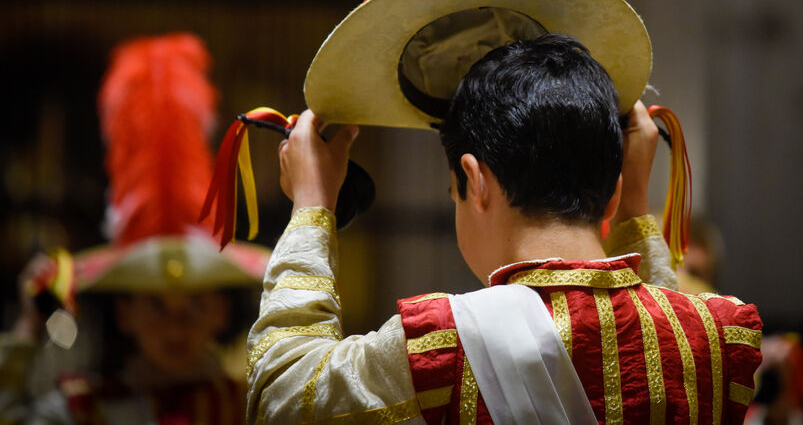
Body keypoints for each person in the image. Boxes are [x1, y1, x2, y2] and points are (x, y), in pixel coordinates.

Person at [247, 34, 762, 424]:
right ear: (613, 189)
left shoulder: (441, 344)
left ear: (473, 179)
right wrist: (634, 209)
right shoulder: (719, 336)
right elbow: (656, 338)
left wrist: (311, 208)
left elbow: (280, 395)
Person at [0, 33, 268, 424]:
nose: (175, 327)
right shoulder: (85, 408)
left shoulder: (254, 408)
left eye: (195, 305)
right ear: (126, 314)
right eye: (156, 306)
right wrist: (28, 328)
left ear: (221, 312)